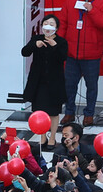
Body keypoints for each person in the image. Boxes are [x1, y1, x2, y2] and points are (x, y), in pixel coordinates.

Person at [58, 0, 103, 126]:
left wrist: (92, 10)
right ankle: (69, 112)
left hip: (92, 55)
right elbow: (63, 24)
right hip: (72, 53)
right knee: (69, 85)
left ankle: (89, 114)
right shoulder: (70, 1)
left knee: (91, 86)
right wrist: (60, 45)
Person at [22, 15, 68, 146]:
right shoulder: (36, 38)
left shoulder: (61, 42)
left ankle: (52, 137)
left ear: (56, 28)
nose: (48, 26)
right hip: (39, 82)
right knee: (40, 111)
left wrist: (54, 46)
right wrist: (34, 45)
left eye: (51, 24)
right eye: (46, 23)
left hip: (55, 83)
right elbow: (24, 52)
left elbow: (62, 57)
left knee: (54, 112)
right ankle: (42, 137)